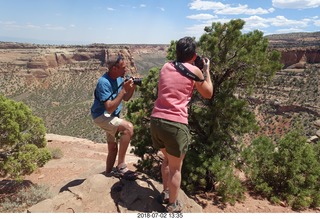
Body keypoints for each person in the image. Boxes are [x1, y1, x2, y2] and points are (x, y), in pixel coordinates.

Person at [150, 37, 213, 212]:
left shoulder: (165, 66)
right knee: (176, 168)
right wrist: (206, 70)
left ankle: (165, 192)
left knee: (167, 160)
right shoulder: (195, 71)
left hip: (156, 121)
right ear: (193, 55)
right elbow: (208, 93)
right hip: (175, 124)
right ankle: (172, 205)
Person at [91, 54, 137, 180]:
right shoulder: (103, 82)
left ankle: (108, 174)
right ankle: (121, 166)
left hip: (112, 116)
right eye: (123, 67)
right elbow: (109, 107)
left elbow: (126, 98)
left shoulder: (118, 78)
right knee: (128, 128)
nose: (126, 70)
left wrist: (131, 89)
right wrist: (123, 90)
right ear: (114, 68)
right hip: (102, 116)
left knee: (112, 148)